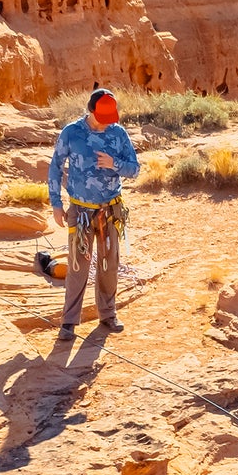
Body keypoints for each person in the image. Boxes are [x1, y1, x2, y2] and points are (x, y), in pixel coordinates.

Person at [46, 87, 139, 340]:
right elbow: (55, 167)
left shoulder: (118, 133)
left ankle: (108, 315)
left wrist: (114, 164)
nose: (106, 124)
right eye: (102, 118)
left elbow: (135, 169)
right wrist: (56, 203)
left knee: (109, 264)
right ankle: (69, 322)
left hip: (110, 210)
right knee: (78, 266)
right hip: (81, 211)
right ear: (90, 110)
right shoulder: (71, 133)